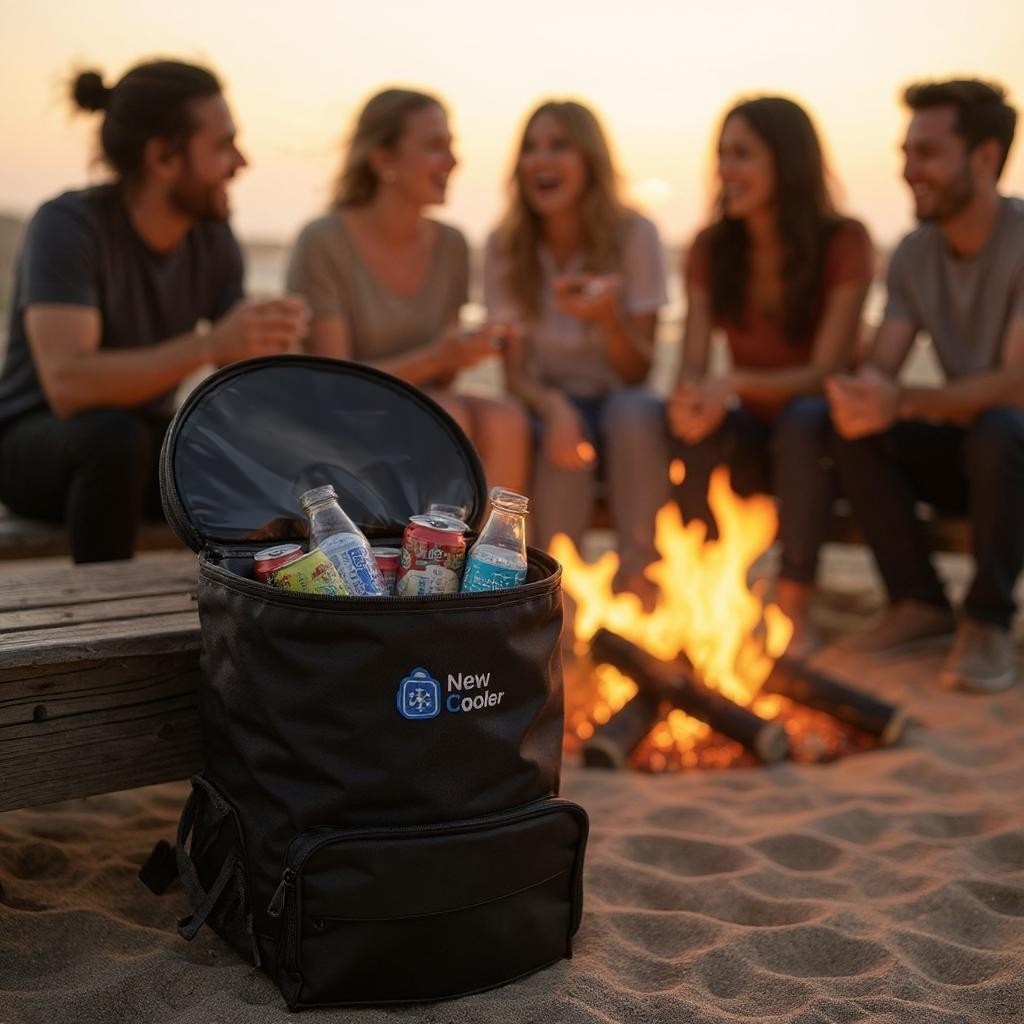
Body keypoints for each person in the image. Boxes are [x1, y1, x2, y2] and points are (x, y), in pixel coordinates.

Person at [0, 59, 307, 564]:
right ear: (163, 158)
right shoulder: (67, 226)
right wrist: (210, 345)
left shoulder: (213, 239)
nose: (241, 162)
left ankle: (253, 606)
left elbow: (241, 378)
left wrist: (272, 347)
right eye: (224, 145)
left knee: (236, 449)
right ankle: (103, 618)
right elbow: (67, 385)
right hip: (40, 450)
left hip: (140, 447)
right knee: (111, 438)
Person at [827, 79, 1023, 692]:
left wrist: (900, 399)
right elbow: (884, 366)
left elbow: (1017, 386)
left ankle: (987, 621)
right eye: (906, 152)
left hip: (1014, 445)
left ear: (985, 157)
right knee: (858, 431)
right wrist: (860, 393)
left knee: (1002, 427)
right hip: (977, 450)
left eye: (927, 153)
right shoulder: (914, 253)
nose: (909, 170)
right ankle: (919, 604)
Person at [666, 96, 873, 654]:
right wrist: (691, 399)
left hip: (823, 431)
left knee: (804, 421)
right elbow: (691, 361)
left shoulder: (844, 241)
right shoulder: (712, 247)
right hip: (753, 431)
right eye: (722, 156)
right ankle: (701, 599)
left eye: (742, 155)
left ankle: (794, 606)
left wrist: (729, 384)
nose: (726, 171)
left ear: (787, 160)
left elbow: (826, 373)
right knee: (693, 427)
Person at [286, 88, 529, 494]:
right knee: (448, 414)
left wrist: (468, 348)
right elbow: (337, 386)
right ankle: (433, 556)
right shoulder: (324, 240)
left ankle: (500, 555)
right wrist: (438, 355)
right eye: (435, 146)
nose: (453, 161)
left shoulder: (452, 245)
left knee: (508, 417)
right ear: (383, 160)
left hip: (424, 407)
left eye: (451, 146)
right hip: (339, 419)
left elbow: (444, 375)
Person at [483, 99, 669, 600]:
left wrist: (609, 318)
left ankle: (640, 584)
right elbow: (514, 375)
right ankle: (556, 603)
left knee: (638, 411)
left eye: (560, 146)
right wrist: (556, 406)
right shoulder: (504, 245)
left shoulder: (636, 233)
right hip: (547, 402)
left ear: (590, 159)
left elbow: (639, 369)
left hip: (618, 400)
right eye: (531, 148)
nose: (542, 161)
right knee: (561, 444)